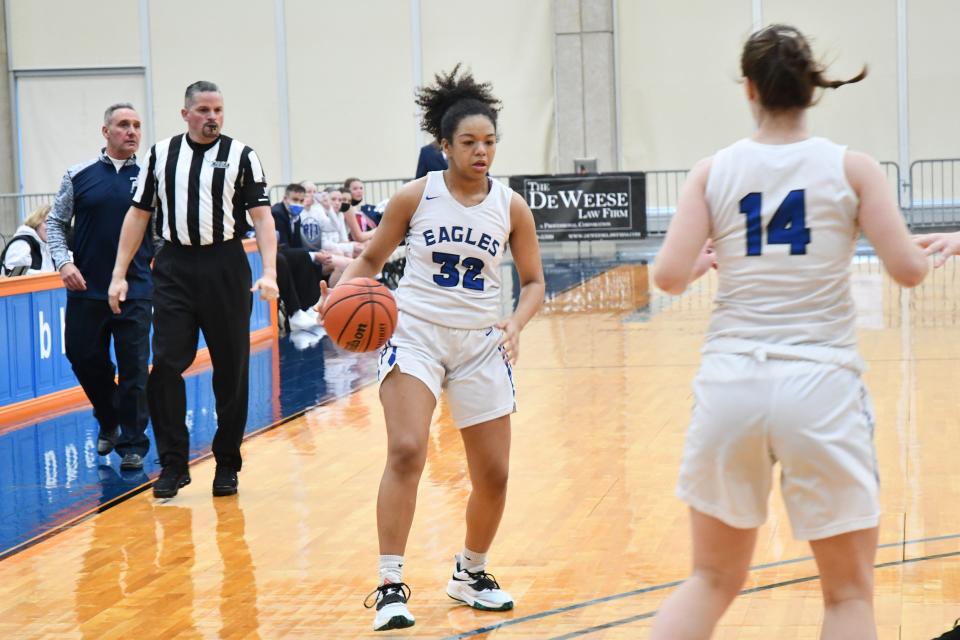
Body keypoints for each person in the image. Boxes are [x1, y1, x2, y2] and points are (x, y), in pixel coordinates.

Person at [649, 25, 928, 640]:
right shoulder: (852, 167)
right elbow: (907, 270)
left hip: (732, 382)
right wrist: (927, 252)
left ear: (750, 88)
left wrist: (702, 261)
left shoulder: (711, 170)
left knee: (710, 580)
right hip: (821, 384)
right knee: (849, 596)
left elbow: (667, 276)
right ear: (812, 89)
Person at [328, 64, 544, 632]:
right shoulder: (414, 197)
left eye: (490, 142)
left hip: (480, 342)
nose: (482, 151)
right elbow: (372, 261)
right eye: (469, 142)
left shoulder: (511, 206)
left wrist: (517, 322)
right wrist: (342, 299)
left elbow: (535, 281)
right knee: (406, 450)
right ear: (444, 146)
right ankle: (391, 583)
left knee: (494, 473)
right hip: (416, 333)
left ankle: (469, 573)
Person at [108, 80, 279, 499]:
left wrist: (270, 270)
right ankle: (173, 464)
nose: (212, 118)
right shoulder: (159, 155)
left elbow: (262, 218)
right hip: (174, 267)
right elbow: (137, 215)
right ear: (186, 114)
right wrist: (119, 273)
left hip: (225, 264)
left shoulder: (242, 155)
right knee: (165, 365)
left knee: (232, 371)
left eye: (218, 110)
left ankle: (226, 464)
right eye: (203, 110)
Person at [44, 103, 154, 469]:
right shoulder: (77, 175)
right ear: (105, 131)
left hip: (135, 289)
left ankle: (134, 443)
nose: (132, 131)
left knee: (135, 368)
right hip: (86, 289)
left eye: (137, 125)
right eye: (123, 125)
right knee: (82, 356)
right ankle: (109, 419)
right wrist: (64, 262)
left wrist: (156, 262)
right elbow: (56, 223)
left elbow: (165, 230)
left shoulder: (152, 177)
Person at [1, 204, 55, 276]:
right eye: (47, 222)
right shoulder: (22, 244)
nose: (51, 227)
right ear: (36, 222)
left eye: (55, 224)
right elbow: (14, 276)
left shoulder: (49, 245)